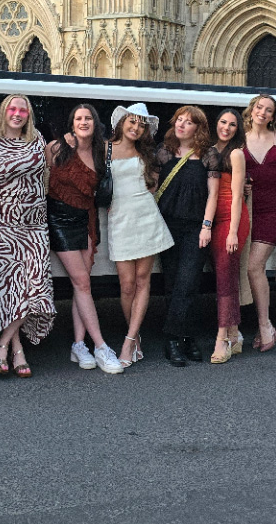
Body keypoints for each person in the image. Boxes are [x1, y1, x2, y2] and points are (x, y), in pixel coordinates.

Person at [0, 94, 55, 379]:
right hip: (2, 225)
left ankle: (1, 343)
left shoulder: (38, 141)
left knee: (34, 289)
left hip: (34, 226)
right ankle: (16, 349)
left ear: (28, 115)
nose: (17, 113)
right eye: (12, 108)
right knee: (7, 290)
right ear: (4, 112)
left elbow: (49, 170)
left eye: (22, 109)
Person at [47, 104, 124, 375]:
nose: (83, 121)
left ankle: (79, 345)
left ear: (95, 123)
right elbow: (37, 178)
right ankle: (102, 346)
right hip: (59, 220)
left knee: (84, 285)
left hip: (87, 219)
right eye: (78, 118)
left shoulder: (101, 150)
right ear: (72, 123)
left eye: (88, 118)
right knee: (81, 282)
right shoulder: (57, 148)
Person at [106, 103, 174, 368]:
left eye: (141, 124)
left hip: (146, 217)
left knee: (143, 281)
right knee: (127, 285)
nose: (135, 127)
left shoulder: (148, 154)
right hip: (119, 220)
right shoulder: (105, 149)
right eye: (132, 122)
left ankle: (130, 339)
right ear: (122, 122)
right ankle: (133, 336)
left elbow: (153, 186)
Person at [154, 105, 221, 367]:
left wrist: (207, 226)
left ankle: (173, 338)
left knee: (188, 283)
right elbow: (153, 186)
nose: (181, 125)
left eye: (188, 122)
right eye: (178, 120)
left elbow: (213, 194)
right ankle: (186, 337)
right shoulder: (164, 152)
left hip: (196, 227)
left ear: (199, 128)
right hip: (167, 225)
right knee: (172, 285)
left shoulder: (209, 155)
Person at [242, 94, 276, 352]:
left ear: (273, 115)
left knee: (253, 267)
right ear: (252, 109)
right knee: (242, 268)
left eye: (268, 110)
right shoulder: (239, 137)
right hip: (246, 210)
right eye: (259, 107)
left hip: (272, 210)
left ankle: (264, 324)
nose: (262, 112)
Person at [207, 108, 249, 364]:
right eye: (223, 122)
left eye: (232, 124)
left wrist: (233, 231)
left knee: (224, 278)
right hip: (213, 220)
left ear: (237, 129)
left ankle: (221, 338)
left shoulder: (236, 153)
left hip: (231, 220)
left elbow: (237, 196)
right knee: (226, 276)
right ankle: (235, 334)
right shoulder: (210, 149)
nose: (226, 127)